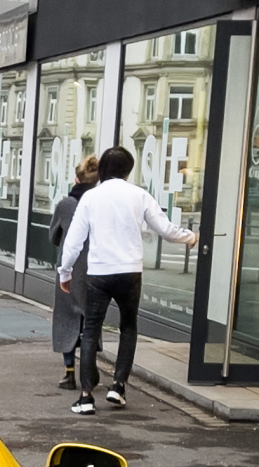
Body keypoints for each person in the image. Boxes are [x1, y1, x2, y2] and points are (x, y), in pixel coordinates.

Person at [56, 145, 196, 413]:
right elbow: (166, 230)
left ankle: (85, 396)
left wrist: (66, 272)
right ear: (128, 170)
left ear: (104, 170)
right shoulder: (139, 195)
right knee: (128, 327)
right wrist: (190, 237)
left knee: (91, 330)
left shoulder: (90, 198)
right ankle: (118, 386)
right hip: (130, 272)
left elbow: (74, 240)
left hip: (98, 272)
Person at [46, 154, 100, 391]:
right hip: (95, 267)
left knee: (66, 318)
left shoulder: (66, 205)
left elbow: (53, 236)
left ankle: (69, 372)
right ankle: (90, 366)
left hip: (68, 269)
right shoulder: (99, 202)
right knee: (90, 318)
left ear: (76, 179)